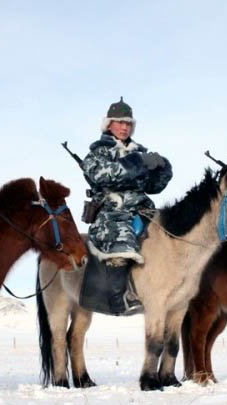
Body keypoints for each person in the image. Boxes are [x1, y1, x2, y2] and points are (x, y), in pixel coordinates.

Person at [81, 97, 172, 314]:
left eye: (128, 123)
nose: (124, 127)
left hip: (143, 209)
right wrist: (138, 163)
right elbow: (101, 176)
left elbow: (153, 187)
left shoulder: (139, 151)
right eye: (120, 122)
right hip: (112, 212)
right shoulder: (98, 153)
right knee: (122, 238)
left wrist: (162, 168)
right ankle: (118, 298)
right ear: (109, 124)